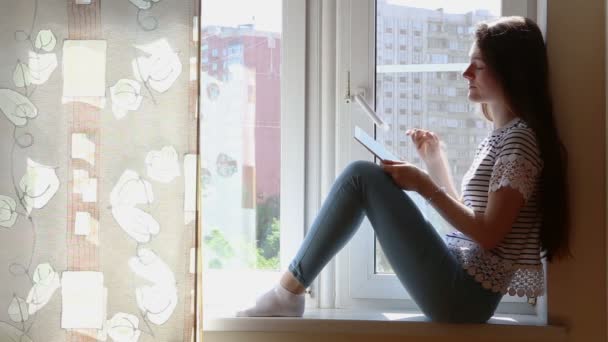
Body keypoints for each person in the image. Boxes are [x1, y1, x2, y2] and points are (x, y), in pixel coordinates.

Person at [236, 16, 570, 323]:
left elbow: (489, 234)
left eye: (478, 66)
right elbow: (473, 226)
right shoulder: (503, 137)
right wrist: (435, 162)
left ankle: (287, 293)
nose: (466, 73)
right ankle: (288, 293)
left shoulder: (520, 140)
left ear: (511, 71)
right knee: (363, 177)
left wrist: (425, 185)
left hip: (464, 298)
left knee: (360, 176)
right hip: (463, 290)